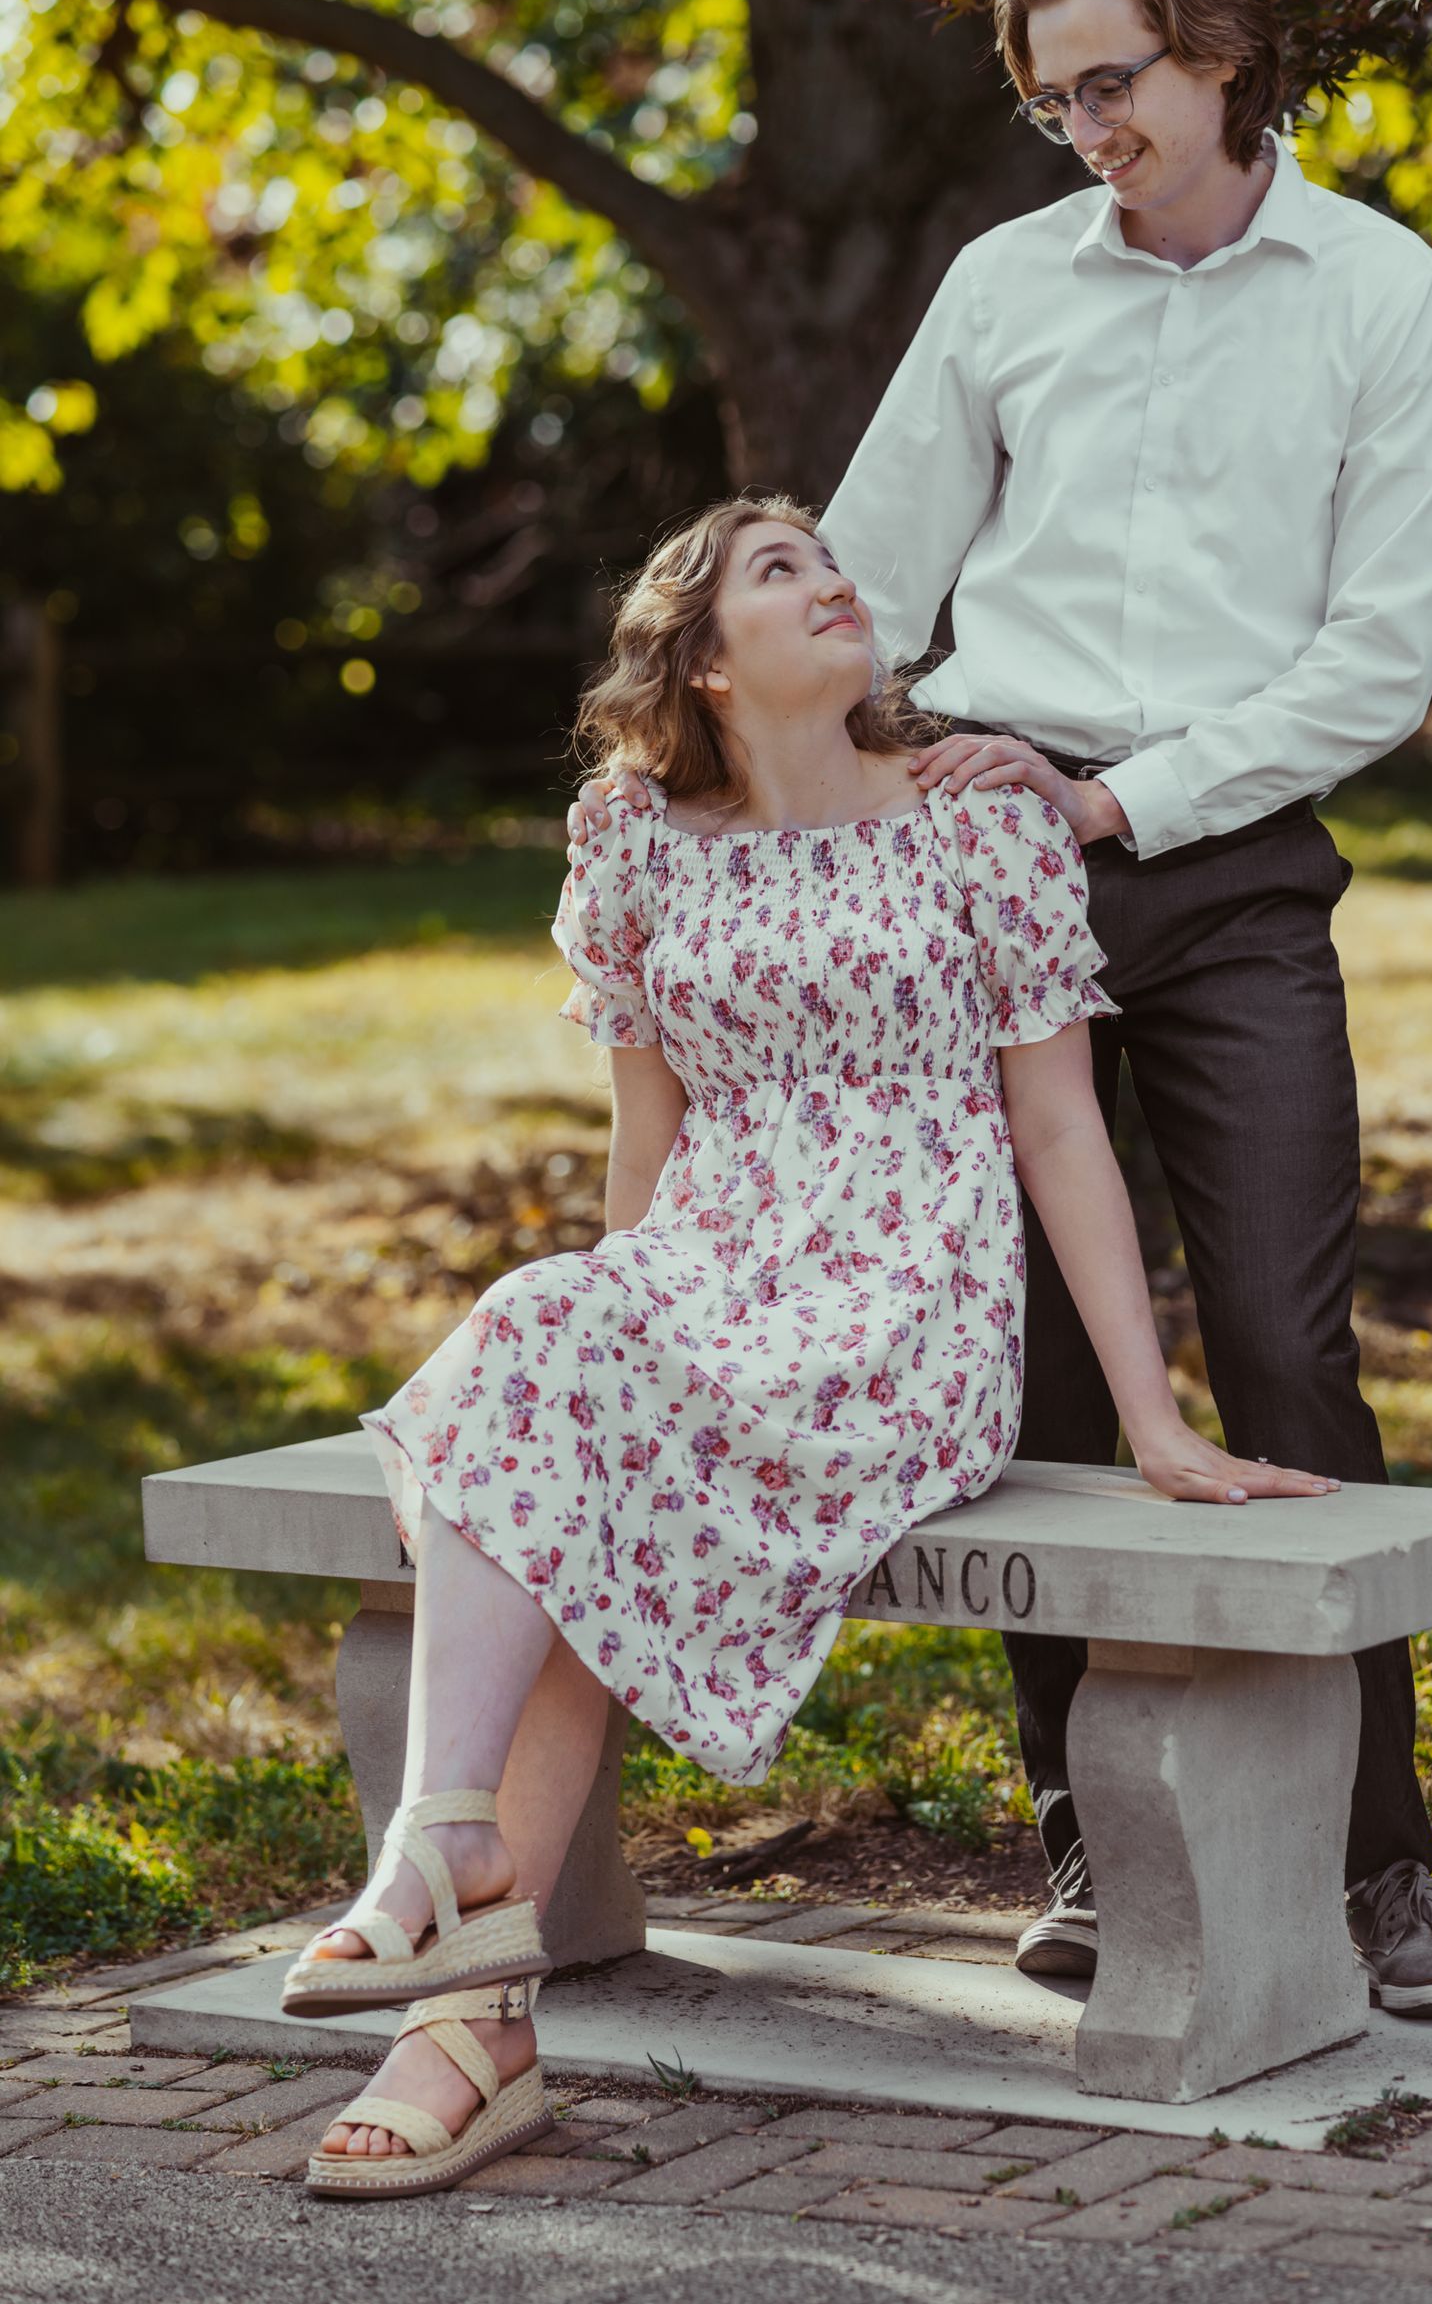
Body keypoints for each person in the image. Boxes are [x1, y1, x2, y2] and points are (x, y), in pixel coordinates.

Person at [285, 494, 1334, 2197]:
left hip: (906, 1300)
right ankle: (460, 1967)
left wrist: (1154, 1416)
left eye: (836, 564)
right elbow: (642, 1141)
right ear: (703, 662)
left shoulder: (979, 821)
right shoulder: (630, 835)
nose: (835, 582)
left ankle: (450, 1934)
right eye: (782, 570)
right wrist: (618, 1366)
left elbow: (1065, 1132)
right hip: (708, 1270)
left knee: (561, 1405)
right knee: (550, 1343)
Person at [819, 0, 1432, 2017]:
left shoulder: (1382, 294)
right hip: (979, 859)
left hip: (1226, 868)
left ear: (1220, 50)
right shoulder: (1007, 283)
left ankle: (1380, 1872)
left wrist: (1119, 802)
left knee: (1292, 1354)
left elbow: (1373, 663)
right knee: (1022, 1373)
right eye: (1053, 103)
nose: (1086, 131)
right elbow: (864, 580)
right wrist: (806, 796)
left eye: (1111, 85)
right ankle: (1094, 1846)